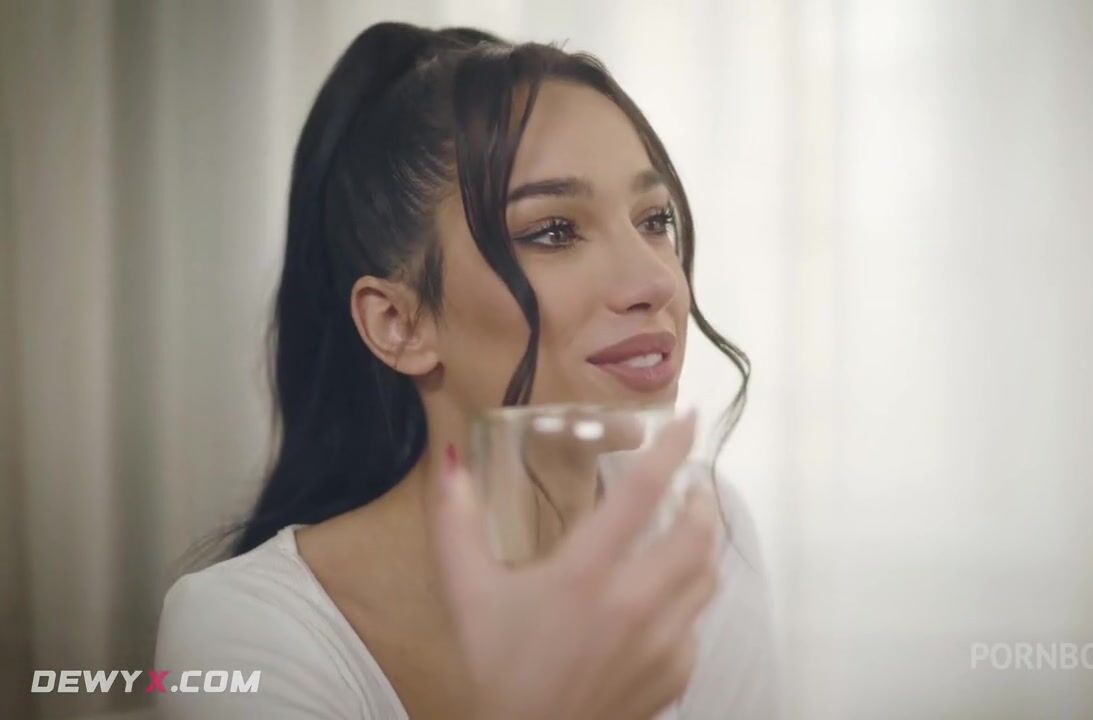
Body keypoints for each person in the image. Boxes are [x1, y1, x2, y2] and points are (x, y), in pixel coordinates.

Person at [154, 22, 777, 719]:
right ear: (399, 323)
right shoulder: (247, 630)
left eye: (654, 219)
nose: (656, 281)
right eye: (554, 231)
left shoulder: (702, 532)